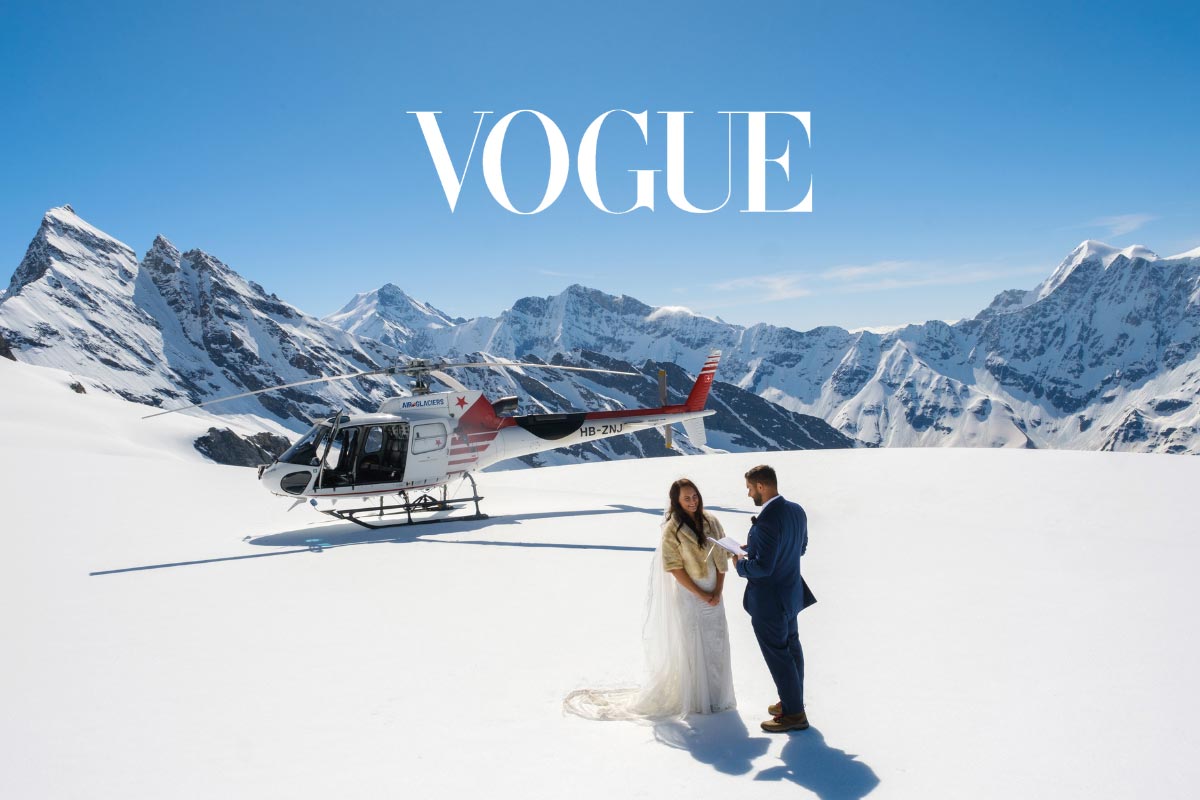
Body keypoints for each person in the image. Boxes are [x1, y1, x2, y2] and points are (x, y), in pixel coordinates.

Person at [563, 478, 736, 720]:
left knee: (716, 643)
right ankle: (699, 699)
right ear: (676, 501)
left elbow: (721, 555)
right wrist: (701, 594)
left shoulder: (712, 522)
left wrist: (717, 591)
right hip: (690, 595)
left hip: (714, 593)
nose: (692, 501)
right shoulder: (672, 530)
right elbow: (674, 568)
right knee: (694, 646)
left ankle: (718, 698)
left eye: (694, 496)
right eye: (686, 498)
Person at [732, 464, 814, 733]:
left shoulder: (766, 520)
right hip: (791, 594)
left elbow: (763, 568)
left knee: (779, 656)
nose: (748, 494)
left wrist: (740, 564)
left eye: (749, 488)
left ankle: (794, 715)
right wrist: (755, 548)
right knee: (792, 649)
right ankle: (792, 702)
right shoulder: (796, 511)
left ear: (762, 486)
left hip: (769, 601)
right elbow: (799, 548)